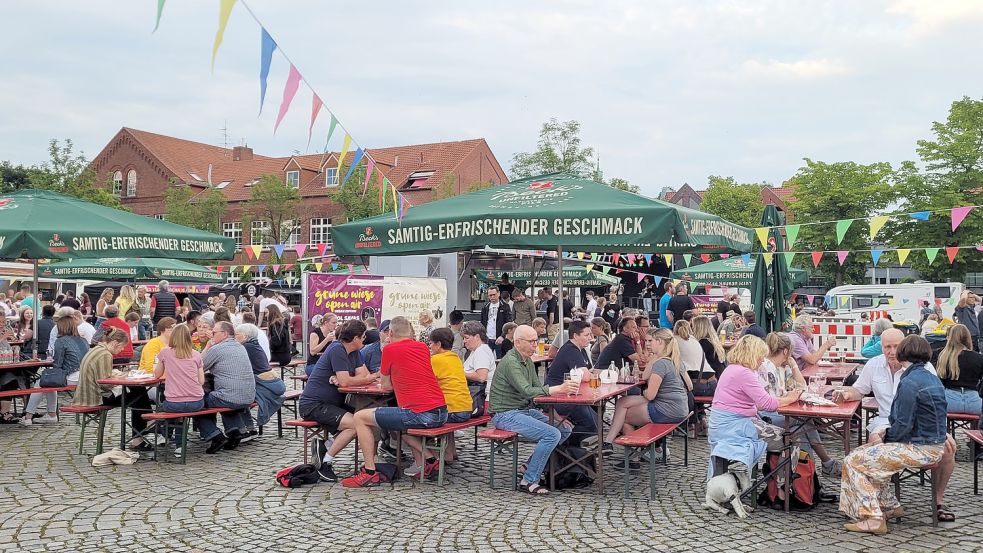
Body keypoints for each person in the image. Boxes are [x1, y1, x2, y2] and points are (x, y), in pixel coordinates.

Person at [831, 328, 957, 522]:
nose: (891, 351)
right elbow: (860, 391)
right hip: (903, 429)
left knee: (856, 459)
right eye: (886, 347)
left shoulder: (911, 380)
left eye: (895, 347)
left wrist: (889, 438)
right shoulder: (919, 373)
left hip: (915, 436)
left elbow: (910, 420)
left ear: (904, 349)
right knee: (873, 445)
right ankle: (886, 504)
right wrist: (847, 394)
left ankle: (876, 514)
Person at [342, 317, 449, 488]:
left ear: (390, 333)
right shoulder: (422, 347)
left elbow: (385, 386)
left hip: (419, 413)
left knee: (360, 417)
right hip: (441, 411)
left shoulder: (390, 349)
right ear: (410, 332)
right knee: (397, 425)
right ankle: (429, 459)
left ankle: (369, 472)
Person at [487, 324, 577, 495]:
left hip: (523, 409)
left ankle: (529, 465)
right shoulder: (511, 362)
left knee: (564, 429)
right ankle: (529, 480)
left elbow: (537, 389)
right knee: (552, 434)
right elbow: (527, 391)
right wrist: (559, 389)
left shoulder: (526, 360)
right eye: (532, 341)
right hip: (504, 413)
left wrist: (555, 413)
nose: (536, 345)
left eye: (537, 341)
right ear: (518, 342)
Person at [707, 335, 801, 485]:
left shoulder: (732, 369)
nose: (763, 360)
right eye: (761, 357)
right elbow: (766, 403)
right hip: (734, 427)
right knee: (793, 439)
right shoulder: (744, 373)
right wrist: (792, 398)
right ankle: (782, 488)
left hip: (724, 425)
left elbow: (761, 403)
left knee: (782, 433)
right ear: (753, 354)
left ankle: (777, 484)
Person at [301, 319, 379, 482]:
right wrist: (364, 378)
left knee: (363, 419)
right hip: (314, 404)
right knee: (357, 423)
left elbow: (361, 375)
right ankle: (325, 461)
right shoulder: (337, 349)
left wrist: (360, 378)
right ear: (356, 338)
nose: (364, 339)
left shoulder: (355, 351)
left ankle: (326, 447)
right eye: (363, 336)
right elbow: (349, 381)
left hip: (332, 403)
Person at [757, 332, 843, 477]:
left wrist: (794, 366)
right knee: (805, 421)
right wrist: (791, 397)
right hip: (766, 417)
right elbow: (772, 402)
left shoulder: (778, 367)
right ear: (786, 352)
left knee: (800, 430)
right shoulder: (768, 369)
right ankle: (823, 466)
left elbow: (802, 386)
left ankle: (808, 482)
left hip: (776, 412)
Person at [603, 328, 691, 460]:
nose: (648, 344)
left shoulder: (661, 364)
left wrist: (645, 390)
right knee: (622, 402)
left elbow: (650, 396)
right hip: (680, 407)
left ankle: (635, 457)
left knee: (624, 418)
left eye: (651, 341)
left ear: (659, 341)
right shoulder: (675, 360)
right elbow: (690, 386)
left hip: (667, 410)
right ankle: (609, 443)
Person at [72, 327, 156, 449]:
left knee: (137, 392)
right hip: (96, 398)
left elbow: (102, 376)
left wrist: (116, 375)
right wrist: (120, 378)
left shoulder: (95, 350)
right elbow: (105, 383)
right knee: (138, 394)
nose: (122, 350)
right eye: (121, 346)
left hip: (87, 394)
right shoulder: (105, 354)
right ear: (115, 343)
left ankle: (141, 431)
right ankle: (144, 425)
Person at [197, 321, 256, 453]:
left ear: (224, 334)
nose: (211, 335)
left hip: (230, 397)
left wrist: (207, 346)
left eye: (214, 333)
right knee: (224, 396)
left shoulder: (217, 349)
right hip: (248, 395)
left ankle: (214, 435)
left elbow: (198, 366)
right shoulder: (240, 347)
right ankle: (234, 431)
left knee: (194, 403)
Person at [23, 313, 90, 425]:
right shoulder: (83, 340)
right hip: (85, 375)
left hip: (73, 375)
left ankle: (28, 416)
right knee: (50, 381)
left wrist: (50, 360)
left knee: (42, 381)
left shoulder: (61, 341)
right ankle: (51, 414)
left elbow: (57, 365)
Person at [422, 327, 473, 467]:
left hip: (453, 410)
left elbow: (423, 382)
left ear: (438, 344)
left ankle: (431, 456)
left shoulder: (436, 360)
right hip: (466, 408)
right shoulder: (455, 358)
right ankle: (450, 452)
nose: (429, 346)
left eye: (430, 343)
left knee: (424, 418)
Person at [152, 323, 205, 452]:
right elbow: (201, 380)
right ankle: (179, 444)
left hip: (174, 402)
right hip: (196, 401)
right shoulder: (196, 355)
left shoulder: (166, 353)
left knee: (164, 407)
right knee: (180, 413)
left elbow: (157, 374)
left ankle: (164, 435)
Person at [545, 320, 596, 444]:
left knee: (595, 417)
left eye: (591, 334)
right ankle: (563, 448)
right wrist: (592, 374)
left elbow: (587, 372)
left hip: (568, 395)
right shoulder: (571, 350)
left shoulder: (576, 349)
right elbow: (585, 376)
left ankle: (569, 451)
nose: (591, 338)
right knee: (593, 424)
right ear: (575, 336)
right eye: (587, 335)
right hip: (558, 399)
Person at [235, 323, 285, 440]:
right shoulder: (254, 345)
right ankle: (249, 428)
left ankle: (243, 430)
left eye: (236, 334)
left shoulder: (246, 347)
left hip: (265, 385)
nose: (234, 337)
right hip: (273, 382)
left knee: (237, 398)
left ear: (245, 336)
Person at [935, 324, 983, 417]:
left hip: (949, 401)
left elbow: (940, 383)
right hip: (974, 402)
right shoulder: (979, 358)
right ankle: (975, 429)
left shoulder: (944, 356)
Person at [480, 286, 513, 357]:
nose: (492, 297)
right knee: (486, 358)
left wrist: (502, 336)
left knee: (500, 359)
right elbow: (483, 323)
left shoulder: (505, 306)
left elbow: (509, 323)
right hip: (488, 338)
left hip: (500, 338)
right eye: (490, 295)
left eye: (494, 295)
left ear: (498, 294)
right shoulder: (485, 307)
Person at [462, 321, 497, 387]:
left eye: (466, 338)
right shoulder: (476, 350)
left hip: (482, 394)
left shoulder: (481, 351)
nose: (464, 341)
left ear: (477, 337)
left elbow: (481, 377)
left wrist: (459, 373)